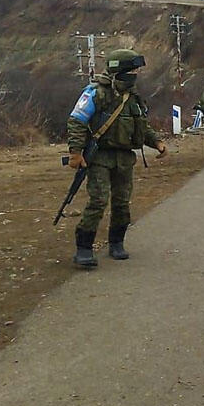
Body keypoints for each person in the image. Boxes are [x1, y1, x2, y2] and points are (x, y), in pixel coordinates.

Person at [66, 49, 166, 268]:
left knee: (122, 203)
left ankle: (116, 243)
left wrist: (157, 143)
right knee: (98, 200)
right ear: (119, 71)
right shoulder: (96, 92)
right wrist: (75, 152)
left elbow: (142, 125)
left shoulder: (132, 98)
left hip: (124, 158)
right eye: (132, 70)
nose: (136, 74)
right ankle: (84, 248)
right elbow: (77, 120)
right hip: (99, 156)